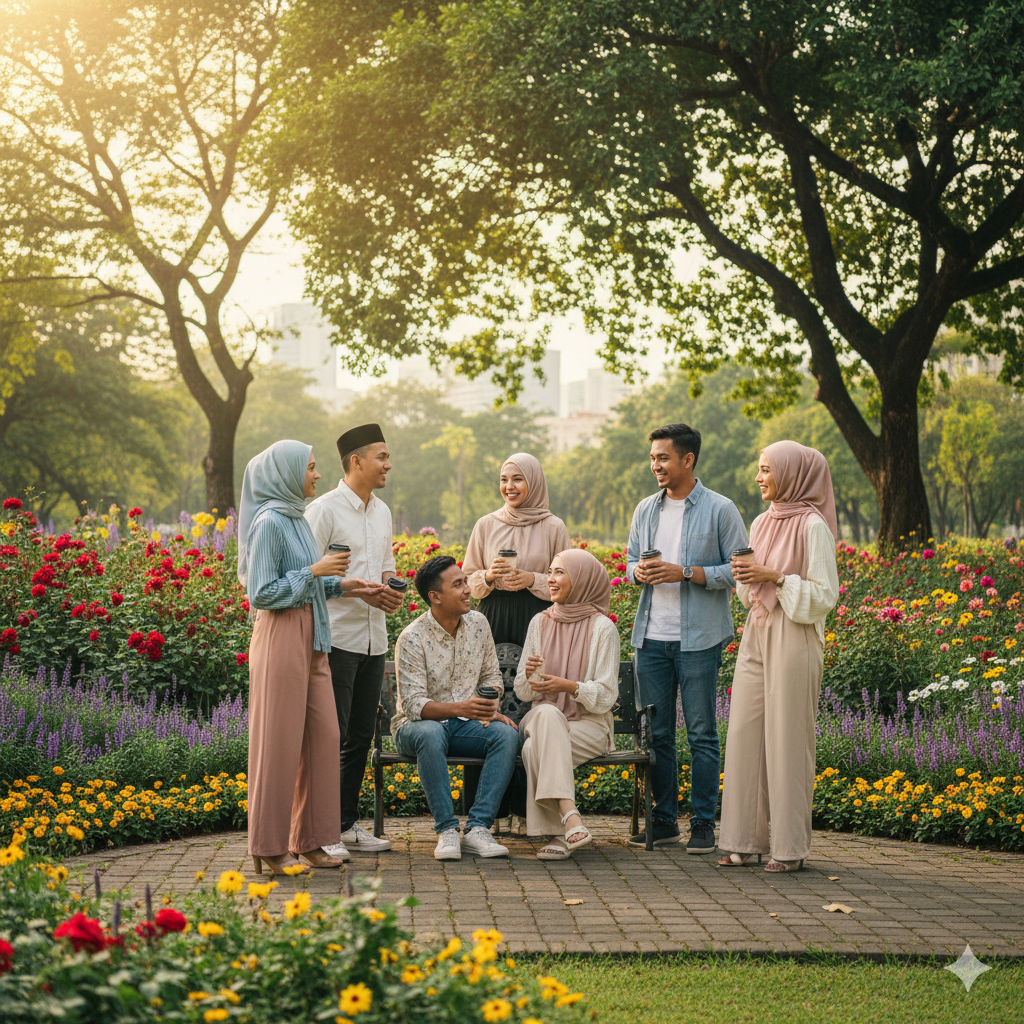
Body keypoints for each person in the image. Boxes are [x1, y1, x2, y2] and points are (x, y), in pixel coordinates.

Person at [240, 440, 377, 876]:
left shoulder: (297, 519)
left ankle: (312, 840)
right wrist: (315, 572)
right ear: (286, 473)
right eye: (311, 468)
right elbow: (261, 593)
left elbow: (309, 582)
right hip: (281, 635)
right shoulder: (269, 523)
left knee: (323, 737)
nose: (316, 475)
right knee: (277, 743)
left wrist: (350, 586)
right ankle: (269, 846)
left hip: (314, 635)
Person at [626, 423, 748, 852]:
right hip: (651, 637)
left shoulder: (721, 509)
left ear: (688, 460)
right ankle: (663, 819)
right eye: (653, 458)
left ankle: (702, 822)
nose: (655, 465)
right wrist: (637, 572)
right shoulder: (645, 509)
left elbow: (739, 569)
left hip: (699, 639)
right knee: (656, 734)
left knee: (701, 733)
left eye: (663, 458)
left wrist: (686, 573)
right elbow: (629, 561)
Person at [718, 441, 839, 872]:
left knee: (788, 740)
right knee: (745, 735)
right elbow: (748, 588)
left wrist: (775, 577)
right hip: (759, 628)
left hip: (795, 631)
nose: (759, 477)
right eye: (759, 469)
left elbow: (825, 596)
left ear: (790, 474)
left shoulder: (813, 526)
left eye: (767, 469)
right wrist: (748, 579)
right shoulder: (762, 522)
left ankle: (789, 849)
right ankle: (743, 840)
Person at [305, 423, 404, 858]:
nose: (388, 464)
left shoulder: (381, 510)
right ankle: (320, 831)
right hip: (337, 638)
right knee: (332, 735)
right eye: (381, 457)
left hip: (373, 639)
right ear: (356, 461)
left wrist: (389, 591)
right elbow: (304, 576)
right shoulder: (323, 511)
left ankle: (345, 826)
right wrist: (351, 587)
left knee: (361, 735)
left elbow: (386, 563)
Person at [391, 555, 520, 860]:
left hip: (464, 724)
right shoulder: (411, 638)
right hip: (415, 729)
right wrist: (462, 707)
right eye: (458, 584)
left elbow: (491, 675)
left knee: (506, 735)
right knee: (431, 733)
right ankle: (447, 829)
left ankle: (478, 829)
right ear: (434, 597)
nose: (467, 590)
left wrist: (489, 704)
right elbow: (413, 705)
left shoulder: (478, 623)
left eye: (465, 582)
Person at [514, 549, 618, 859]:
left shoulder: (603, 628)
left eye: (559, 572)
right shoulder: (540, 622)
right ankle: (570, 816)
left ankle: (557, 835)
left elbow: (606, 695)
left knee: (534, 750)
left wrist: (569, 687)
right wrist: (531, 679)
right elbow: (522, 692)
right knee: (546, 712)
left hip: (589, 725)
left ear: (583, 579)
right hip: (543, 718)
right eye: (550, 572)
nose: (551, 579)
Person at [463, 452, 571, 646]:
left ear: (534, 482)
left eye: (518, 479)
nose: (509, 486)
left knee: (535, 675)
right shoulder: (486, 524)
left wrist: (532, 579)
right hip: (491, 618)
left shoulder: (553, 527)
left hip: (539, 618)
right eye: (504, 480)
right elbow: (466, 582)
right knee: (488, 675)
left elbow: (568, 583)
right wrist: (488, 576)